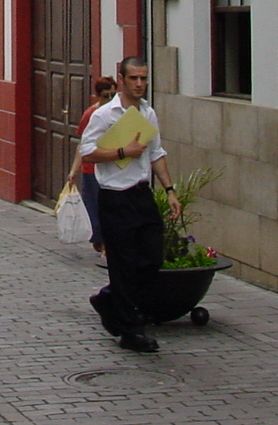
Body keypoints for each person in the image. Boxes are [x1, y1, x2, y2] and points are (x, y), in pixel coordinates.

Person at [79, 57, 180, 353]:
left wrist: (170, 190)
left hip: (141, 194)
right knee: (122, 265)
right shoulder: (104, 114)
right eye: (134, 78)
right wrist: (123, 150)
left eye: (144, 79)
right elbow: (87, 153)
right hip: (114, 196)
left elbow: (155, 152)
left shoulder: (148, 112)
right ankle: (131, 331)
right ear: (121, 80)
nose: (139, 84)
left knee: (151, 259)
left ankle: (108, 299)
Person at [66, 76, 119, 255]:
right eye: (106, 96)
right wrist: (74, 170)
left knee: (110, 208)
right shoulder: (91, 114)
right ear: (98, 96)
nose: (110, 100)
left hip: (112, 167)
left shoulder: (119, 114)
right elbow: (83, 144)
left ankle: (106, 243)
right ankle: (100, 241)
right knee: (95, 207)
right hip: (91, 169)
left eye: (113, 95)